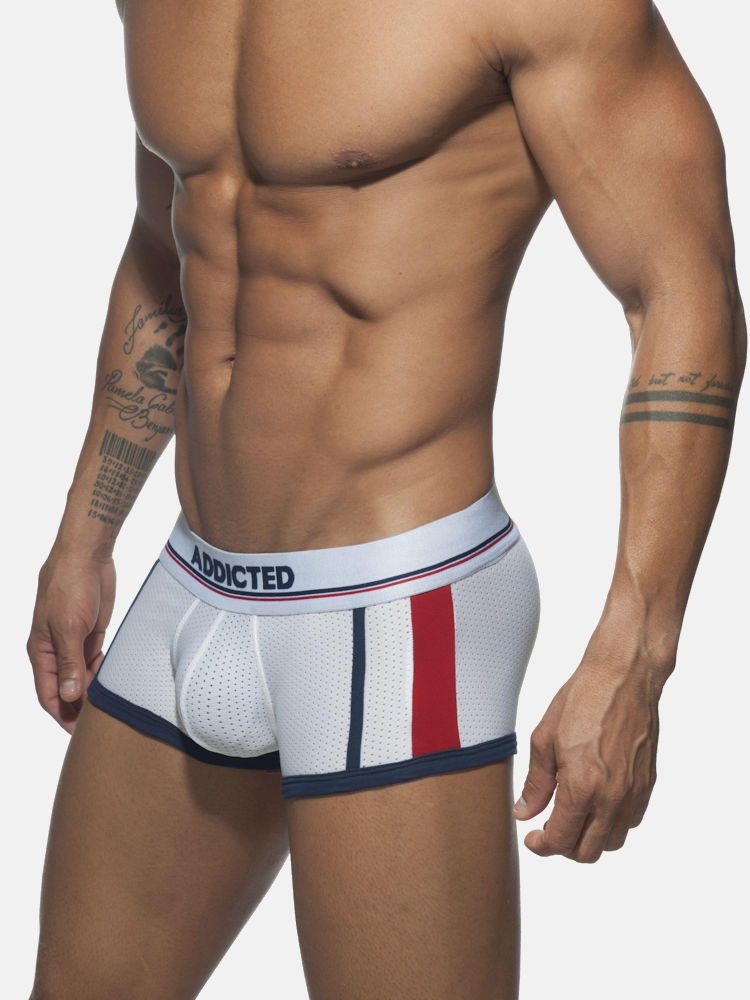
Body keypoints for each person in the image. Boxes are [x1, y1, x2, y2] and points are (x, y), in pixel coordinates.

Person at [26, 0, 745, 997]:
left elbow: (682, 287)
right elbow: (169, 243)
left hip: (401, 606)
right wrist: (85, 532)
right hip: (196, 582)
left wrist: (636, 654)